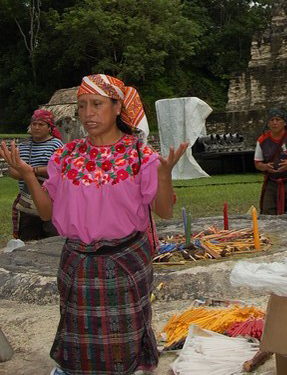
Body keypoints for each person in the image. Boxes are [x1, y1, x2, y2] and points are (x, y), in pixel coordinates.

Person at [0, 73, 189, 375]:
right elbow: (47, 213)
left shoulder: (139, 155)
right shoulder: (65, 156)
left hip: (126, 263)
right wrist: (26, 174)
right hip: (78, 263)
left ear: (117, 107)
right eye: (82, 105)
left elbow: (164, 210)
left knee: (125, 339)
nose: (88, 113)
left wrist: (164, 176)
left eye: (97, 104)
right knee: (78, 334)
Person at [8, 108, 63, 241]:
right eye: (34, 124)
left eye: (41, 124)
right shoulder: (23, 146)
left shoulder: (56, 145)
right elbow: (13, 171)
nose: (37, 127)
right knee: (28, 238)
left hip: (50, 199)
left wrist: (31, 171)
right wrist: (26, 173)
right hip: (27, 198)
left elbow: (59, 168)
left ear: (50, 128)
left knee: (52, 237)